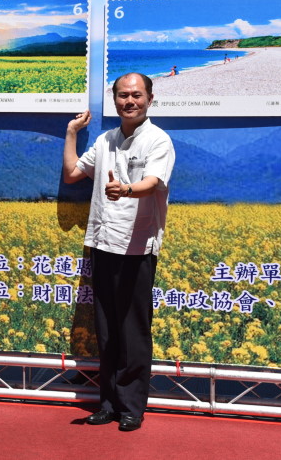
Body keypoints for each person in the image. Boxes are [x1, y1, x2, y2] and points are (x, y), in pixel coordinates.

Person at [62, 72, 175, 432]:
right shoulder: (105, 139)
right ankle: (107, 402)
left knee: (134, 329)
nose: (130, 101)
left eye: (136, 95)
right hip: (103, 243)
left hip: (138, 245)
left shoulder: (159, 140)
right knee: (107, 329)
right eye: (123, 96)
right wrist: (70, 134)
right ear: (115, 101)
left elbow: (153, 183)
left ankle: (131, 407)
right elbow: (71, 174)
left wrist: (125, 190)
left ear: (150, 99)